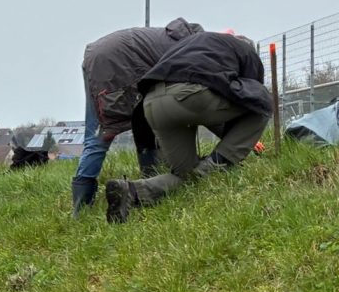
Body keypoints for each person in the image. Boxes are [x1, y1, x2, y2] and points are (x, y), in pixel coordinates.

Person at [106, 31, 271, 223]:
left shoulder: (193, 44)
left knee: (188, 177)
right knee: (263, 104)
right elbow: (252, 98)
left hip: (151, 103)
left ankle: (131, 191)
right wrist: (238, 144)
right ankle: (217, 166)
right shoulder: (245, 49)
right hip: (189, 95)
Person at [73, 18, 205, 216]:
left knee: (144, 117)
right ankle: (81, 209)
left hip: (104, 55)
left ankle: (148, 177)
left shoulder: (183, 42)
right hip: (111, 63)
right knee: (102, 134)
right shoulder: (193, 51)